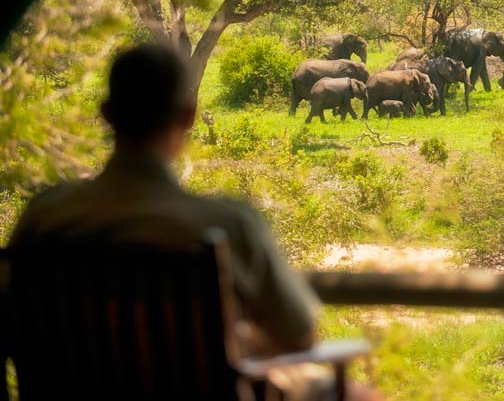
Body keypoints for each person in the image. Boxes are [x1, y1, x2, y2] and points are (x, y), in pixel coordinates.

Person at [10, 44, 381, 401]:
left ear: (107, 113)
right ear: (187, 116)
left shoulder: (44, 216)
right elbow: (299, 334)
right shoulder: (228, 222)